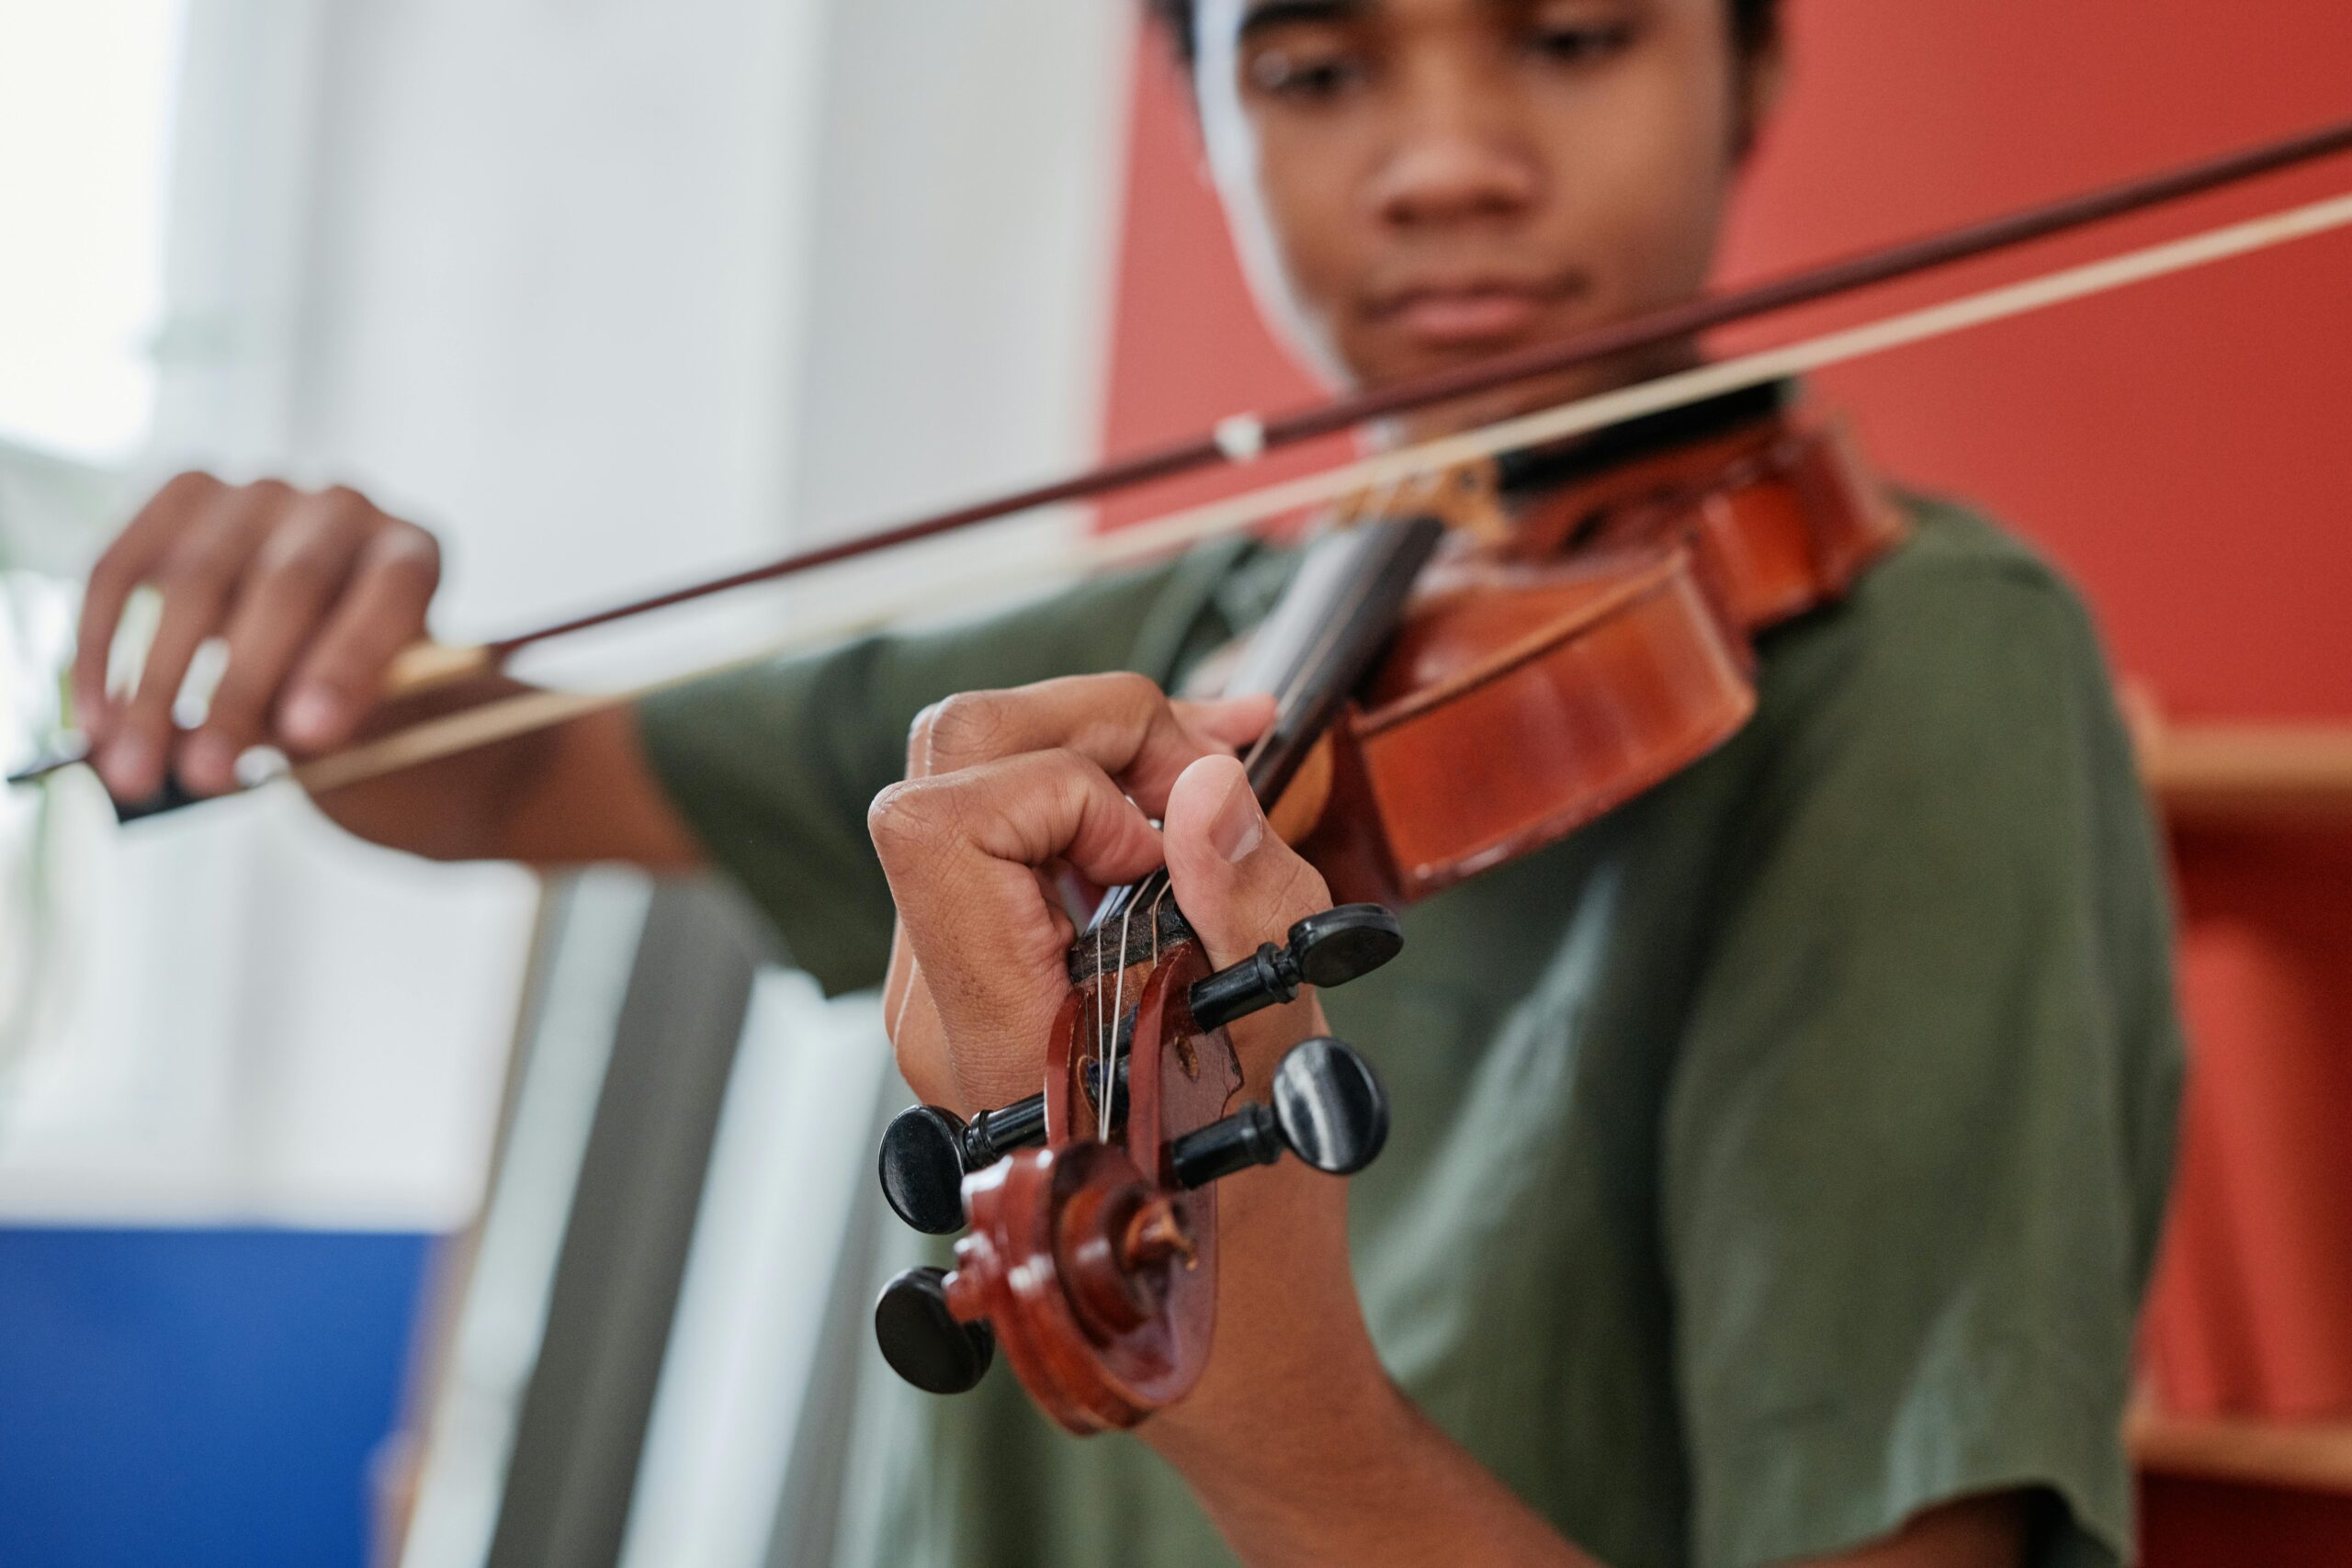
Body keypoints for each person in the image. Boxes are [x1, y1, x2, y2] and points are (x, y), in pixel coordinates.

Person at [69, 1, 2183, 1563]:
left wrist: (1258, 1400)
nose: (1443, 162)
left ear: (1747, 69)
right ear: (1202, 117)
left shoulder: (1902, 670)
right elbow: (518, 780)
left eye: (1565, 34)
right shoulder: (1201, 629)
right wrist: (336, 637)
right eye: (1317, 67)